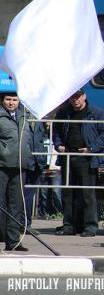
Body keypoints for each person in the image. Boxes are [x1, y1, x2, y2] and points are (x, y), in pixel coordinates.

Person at [53, 88, 104, 237]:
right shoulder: (63, 113)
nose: (75, 100)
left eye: (78, 97)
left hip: (87, 159)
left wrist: (91, 148)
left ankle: (90, 227)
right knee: (68, 194)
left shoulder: (96, 112)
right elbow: (56, 132)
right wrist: (58, 144)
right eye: (72, 97)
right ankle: (69, 225)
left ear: (84, 96)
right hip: (67, 157)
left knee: (87, 194)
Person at [0, 93, 34, 251]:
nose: (11, 103)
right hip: (2, 165)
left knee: (16, 205)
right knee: (1, 204)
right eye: (8, 99)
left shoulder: (24, 116)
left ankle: (13, 241)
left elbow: (29, 138)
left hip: (20, 166)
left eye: (14, 100)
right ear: (2, 100)